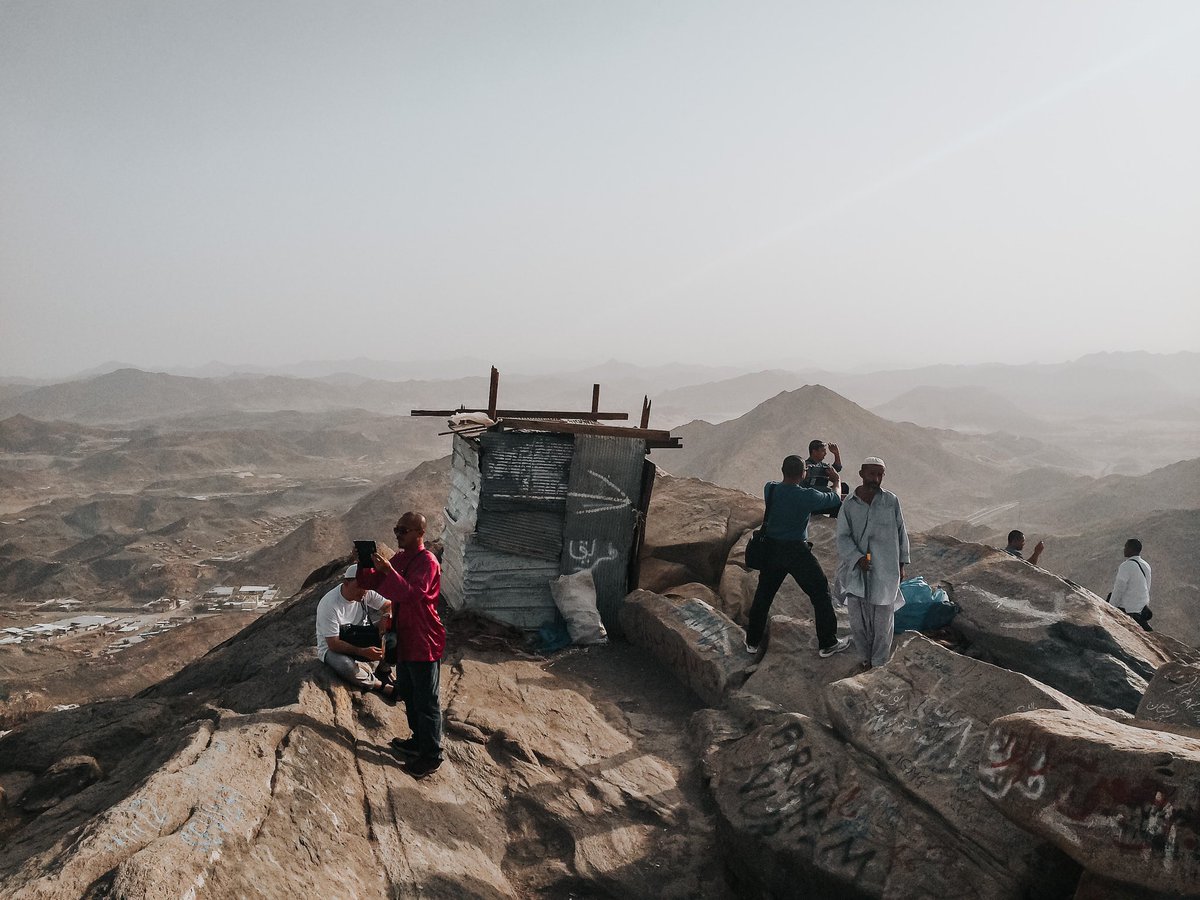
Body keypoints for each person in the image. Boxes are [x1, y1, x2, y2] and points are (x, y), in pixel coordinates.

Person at [363, 512, 446, 778]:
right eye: (396, 529)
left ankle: (432, 755)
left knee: (426, 700)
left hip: (424, 639)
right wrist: (365, 564)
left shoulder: (427, 562)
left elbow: (413, 595)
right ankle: (418, 741)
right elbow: (374, 583)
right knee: (409, 692)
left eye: (403, 530)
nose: (397, 534)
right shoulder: (401, 558)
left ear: (419, 533)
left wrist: (389, 572)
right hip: (406, 637)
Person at [745, 455, 850, 658]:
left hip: (771, 550)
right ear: (804, 473)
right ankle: (828, 643)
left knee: (763, 596)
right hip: (796, 552)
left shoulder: (771, 488)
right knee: (820, 593)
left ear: (782, 470)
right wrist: (836, 481)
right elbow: (836, 498)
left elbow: (786, 489)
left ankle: (752, 642)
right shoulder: (807, 496)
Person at [836, 457, 910, 671]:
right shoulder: (849, 505)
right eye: (872, 474)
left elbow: (901, 531)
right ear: (861, 473)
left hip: (886, 570)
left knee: (883, 621)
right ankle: (865, 657)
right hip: (856, 571)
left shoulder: (891, 501)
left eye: (880, 475)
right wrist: (856, 557)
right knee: (858, 621)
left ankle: (878, 662)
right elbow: (842, 536)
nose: (876, 479)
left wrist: (902, 564)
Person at [314, 564, 391, 690]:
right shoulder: (329, 604)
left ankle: (383, 670)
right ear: (346, 583)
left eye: (366, 588)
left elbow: (388, 605)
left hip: (359, 635)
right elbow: (333, 643)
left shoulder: (365, 592)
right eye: (359, 587)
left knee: (397, 625)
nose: (363, 592)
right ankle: (381, 687)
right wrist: (362, 652)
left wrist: (386, 616)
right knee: (345, 666)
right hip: (335, 646)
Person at [1108, 538, 1152, 631]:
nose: (1124, 549)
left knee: (1110, 596)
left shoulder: (1126, 566)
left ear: (1132, 549)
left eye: (1126, 547)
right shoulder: (1146, 565)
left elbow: (1119, 588)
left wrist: (1110, 607)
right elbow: (1147, 587)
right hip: (1141, 609)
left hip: (1129, 609)